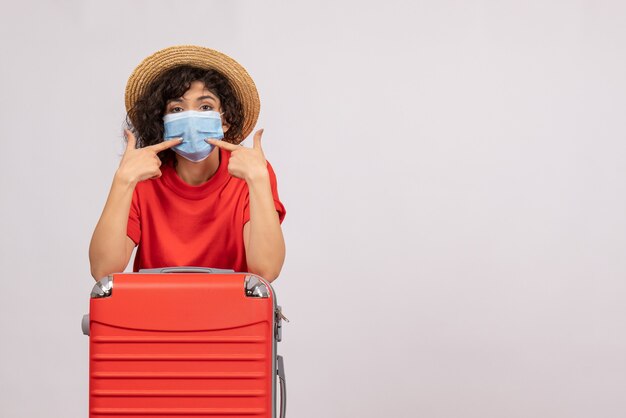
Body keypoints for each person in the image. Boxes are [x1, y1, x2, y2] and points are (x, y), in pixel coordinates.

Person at [89, 45, 286, 282]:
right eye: (177, 109)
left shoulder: (252, 171)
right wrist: (123, 182)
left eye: (205, 107)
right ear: (162, 122)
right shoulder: (143, 175)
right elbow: (103, 270)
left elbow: (266, 270)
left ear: (226, 121)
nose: (191, 118)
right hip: (154, 314)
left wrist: (257, 180)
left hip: (232, 315)